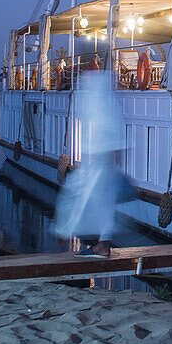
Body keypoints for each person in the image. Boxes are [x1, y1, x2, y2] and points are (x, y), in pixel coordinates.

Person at [54, 70, 122, 256]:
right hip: (105, 159)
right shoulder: (107, 102)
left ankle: (64, 232)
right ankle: (102, 244)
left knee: (77, 194)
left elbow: (102, 131)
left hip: (100, 159)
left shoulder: (98, 102)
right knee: (103, 204)